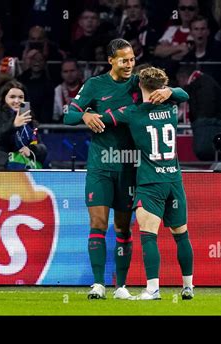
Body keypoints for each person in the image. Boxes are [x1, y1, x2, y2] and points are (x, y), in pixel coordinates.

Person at [64, 38, 189, 300]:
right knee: (97, 222)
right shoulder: (95, 85)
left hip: (131, 166)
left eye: (132, 59)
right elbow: (69, 115)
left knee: (123, 228)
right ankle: (98, 284)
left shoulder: (137, 82)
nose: (130, 64)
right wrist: (85, 115)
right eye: (124, 60)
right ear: (110, 60)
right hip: (101, 164)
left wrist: (169, 92)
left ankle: (121, 286)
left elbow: (178, 92)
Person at [98, 67, 194, 300]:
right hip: (174, 180)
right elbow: (185, 94)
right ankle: (188, 287)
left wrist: (87, 114)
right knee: (181, 235)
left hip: (151, 182)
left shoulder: (132, 112)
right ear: (162, 86)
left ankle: (153, 289)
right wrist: (171, 91)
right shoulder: (172, 108)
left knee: (149, 235)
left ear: (140, 85)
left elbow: (103, 119)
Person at [0, 81, 47, 170]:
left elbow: (43, 148)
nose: (17, 101)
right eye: (12, 97)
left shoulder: (30, 122)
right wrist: (14, 125)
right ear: (4, 99)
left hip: (25, 172)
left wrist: (31, 150)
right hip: (1, 169)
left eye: (21, 97)